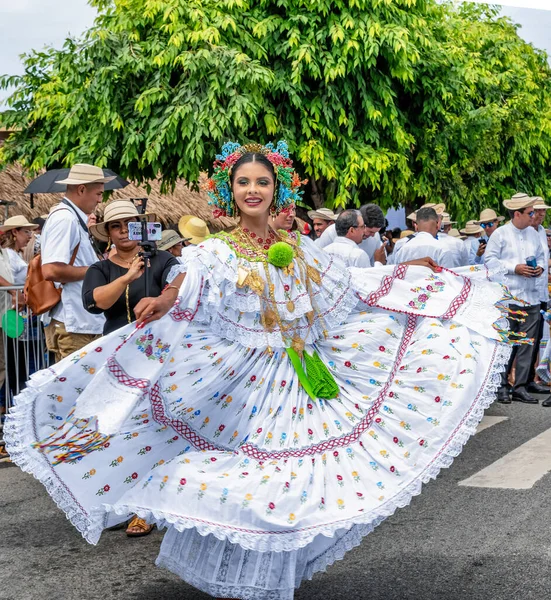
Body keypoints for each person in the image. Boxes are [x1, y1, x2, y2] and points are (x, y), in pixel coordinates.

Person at [6, 141, 513, 600]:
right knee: (259, 477)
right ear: (231, 191)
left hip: (306, 375)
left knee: (291, 479)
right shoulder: (214, 251)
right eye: (244, 182)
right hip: (247, 382)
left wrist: (416, 277)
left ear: (278, 190)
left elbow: (346, 286)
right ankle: (246, 580)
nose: (253, 190)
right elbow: (187, 289)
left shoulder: (297, 247)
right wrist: (162, 300)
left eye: (263, 182)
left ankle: (272, 580)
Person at [82, 200, 179, 535]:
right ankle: (121, 501)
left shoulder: (163, 259)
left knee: (154, 429)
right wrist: (127, 277)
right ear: (107, 232)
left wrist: (166, 290)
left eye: (130, 224)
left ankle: (146, 508)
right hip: (120, 358)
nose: (124, 231)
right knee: (120, 430)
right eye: (116, 226)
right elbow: (96, 303)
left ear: (141, 226)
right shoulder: (101, 269)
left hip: (162, 356)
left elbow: (182, 279)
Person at [41, 164, 109, 362]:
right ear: (81, 189)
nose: (99, 199)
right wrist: (95, 270)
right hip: (75, 323)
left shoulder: (71, 217)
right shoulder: (65, 219)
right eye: (98, 193)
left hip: (80, 321)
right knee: (74, 390)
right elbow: (51, 270)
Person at [485, 194, 546, 404]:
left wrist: (539, 268)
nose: (533, 216)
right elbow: (489, 261)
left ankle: (519, 386)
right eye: (530, 213)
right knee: (506, 344)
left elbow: (541, 258)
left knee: (527, 344)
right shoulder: (500, 234)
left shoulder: (534, 234)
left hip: (530, 296)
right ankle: (502, 386)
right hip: (508, 297)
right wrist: (514, 268)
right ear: (517, 213)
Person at [316, 203, 386, 265]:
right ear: (360, 222)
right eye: (370, 232)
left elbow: (372, 267)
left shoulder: (375, 238)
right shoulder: (330, 233)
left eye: (375, 232)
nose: (372, 235)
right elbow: (318, 260)